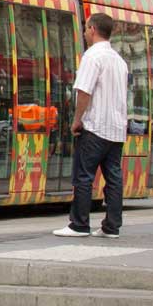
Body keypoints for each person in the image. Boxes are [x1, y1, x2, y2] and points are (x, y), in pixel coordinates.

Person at [55, 13, 130, 238]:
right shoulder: (119, 60)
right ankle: (112, 226)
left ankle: (79, 224)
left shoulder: (92, 56)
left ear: (93, 29)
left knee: (84, 176)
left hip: (95, 126)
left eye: (87, 28)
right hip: (116, 129)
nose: (86, 32)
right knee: (114, 177)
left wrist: (77, 120)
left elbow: (84, 91)